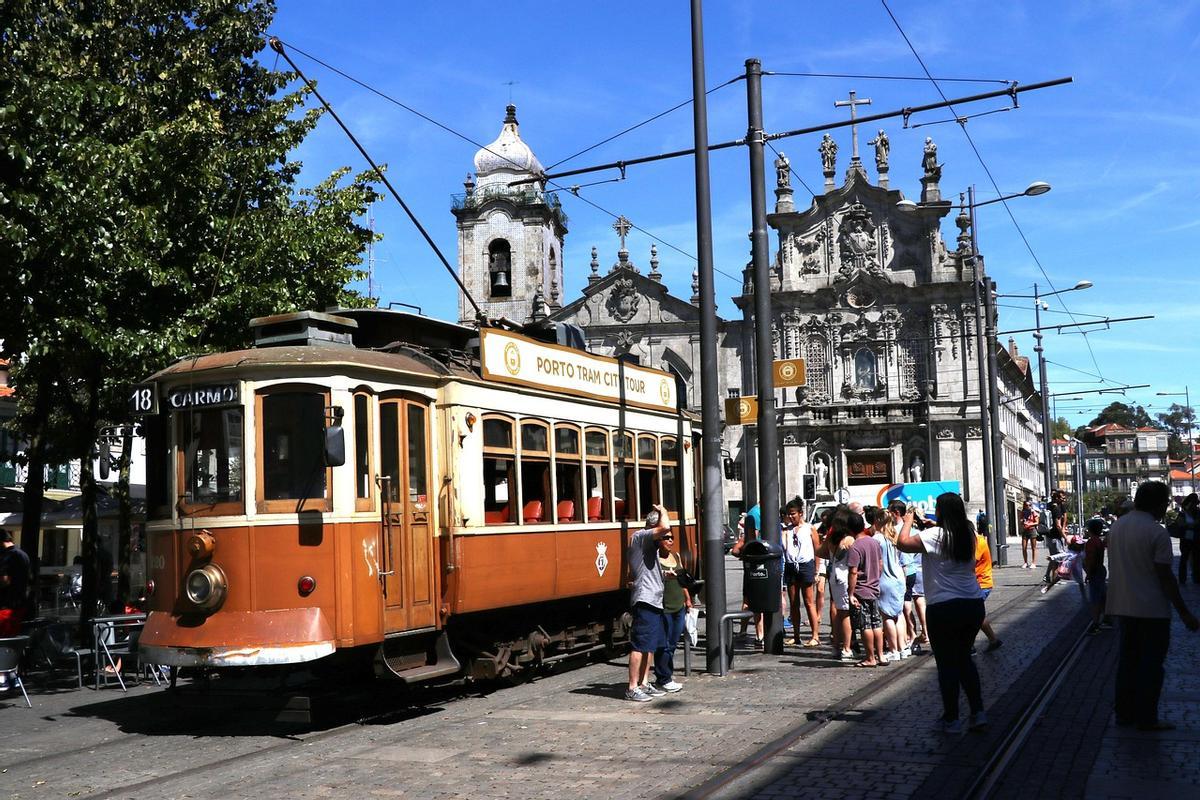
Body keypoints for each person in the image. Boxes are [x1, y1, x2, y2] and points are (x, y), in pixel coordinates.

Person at [1107, 482, 1199, 730]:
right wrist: (1185, 613)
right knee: (1151, 666)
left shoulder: (1117, 527)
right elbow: (1165, 577)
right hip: (1151, 610)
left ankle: (1124, 714)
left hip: (1122, 606)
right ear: (1158, 504)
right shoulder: (1156, 532)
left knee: (1127, 663)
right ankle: (1146, 717)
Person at [897, 493, 988, 733]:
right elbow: (945, 535)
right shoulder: (967, 534)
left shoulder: (934, 536)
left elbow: (903, 542)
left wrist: (908, 520)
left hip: (943, 607)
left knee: (947, 664)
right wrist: (929, 525)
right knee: (964, 659)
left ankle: (952, 718)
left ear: (940, 512)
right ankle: (978, 712)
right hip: (972, 604)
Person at [625, 505, 673, 702]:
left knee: (650, 645)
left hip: (654, 600)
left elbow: (646, 570)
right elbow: (664, 527)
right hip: (645, 599)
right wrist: (664, 511)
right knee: (639, 645)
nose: (666, 539)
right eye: (664, 536)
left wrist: (663, 575)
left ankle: (644, 683)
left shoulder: (650, 547)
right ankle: (632, 687)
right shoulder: (641, 537)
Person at [652, 524, 691, 694]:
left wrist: (688, 599)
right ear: (658, 541)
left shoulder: (676, 556)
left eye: (671, 538)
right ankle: (664, 678)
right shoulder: (654, 559)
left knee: (673, 643)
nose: (669, 541)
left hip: (679, 606)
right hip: (664, 607)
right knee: (664, 645)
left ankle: (665, 676)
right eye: (665, 538)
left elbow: (682, 581)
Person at [871, 506, 909, 661]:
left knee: (887, 616)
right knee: (899, 614)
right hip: (899, 578)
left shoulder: (876, 540)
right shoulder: (896, 537)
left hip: (885, 579)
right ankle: (903, 647)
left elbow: (875, 564)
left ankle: (893, 649)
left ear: (878, 521)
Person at [846, 511, 884, 667]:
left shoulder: (855, 547)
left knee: (865, 625)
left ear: (850, 530)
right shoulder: (874, 542)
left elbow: (853, 572)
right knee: (877, 623)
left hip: (862, 590)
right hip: (874, 588)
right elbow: (881, 564)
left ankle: (870, 657)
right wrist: (875, 578)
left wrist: (850, 593)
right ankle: (881, 655)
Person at [782, 500, 820, 647]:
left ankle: (815, 635)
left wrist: (817, 570)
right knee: (793, 602)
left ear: (800, 514)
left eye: (793, 514)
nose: (791, 517)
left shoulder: (809, 529)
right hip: (791, 566)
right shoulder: (787, 530)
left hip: (806, 565)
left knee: (809, 601)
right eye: (789, 515)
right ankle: (796, 635)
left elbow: (817, 550)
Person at [0, 529, 32, 637]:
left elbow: (4, 580)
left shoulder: (7, 556)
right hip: (20, 603)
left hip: (6, 606)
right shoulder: (23, 554)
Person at [974, 531, 1003, 653]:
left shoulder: (978, 542)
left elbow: (969, 563)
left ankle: (969, 645)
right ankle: (993, 640)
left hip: (982, 584)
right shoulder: (974, 540)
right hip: (976, 583)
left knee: (973, 614)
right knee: (976, 614)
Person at [1083, 517, 1110, 635]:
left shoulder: (1091, 542)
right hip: (1100, 570)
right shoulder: (1099, 541)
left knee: (1095, 599)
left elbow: (1091, 559)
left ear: (1090, 530)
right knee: (1103, 596)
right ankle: (1107, 618)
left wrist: (1088, 573)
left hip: (1095, 572)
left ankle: (1095, 624)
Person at [1169, 493, 1200, 584]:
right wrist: (1193, 525)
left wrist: (1190, 525)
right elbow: (1180, 524)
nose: (1195, 506)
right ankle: (1182, 578)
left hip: (1197, 539)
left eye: (1196, 504)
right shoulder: (1183, 514)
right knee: (1184, 558)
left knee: (1197, 558)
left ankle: (1197, 577)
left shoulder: (1198, 513)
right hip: (1186, 539)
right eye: (1193, 504)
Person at [1020, 500, 1040, 568]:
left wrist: (1030, 524)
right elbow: (1021, 520)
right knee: (1024, 547)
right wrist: (1022, 522)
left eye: (1029, 505)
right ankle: (1025, 562)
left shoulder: (1033, 512)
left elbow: (1037, 522)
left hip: (1032, 530)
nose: (1027, 506)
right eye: (1026, 505)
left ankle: (1033, 562)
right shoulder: (1023, 512)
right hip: (1025, 530)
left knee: (1033, 547)